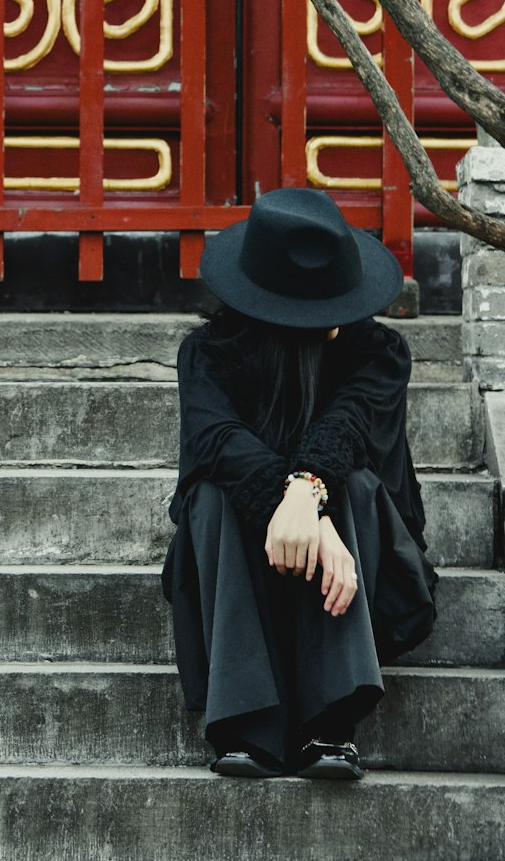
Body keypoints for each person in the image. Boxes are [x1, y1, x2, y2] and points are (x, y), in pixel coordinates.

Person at [161, 187, 437, 780]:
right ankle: (246, 722)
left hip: (358, 570)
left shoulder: (379, 353)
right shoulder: (209, 354)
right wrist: (298, 505)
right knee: (209, 493)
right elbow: (217, 443)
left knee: (358, 484)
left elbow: (348, 427)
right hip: (239, 570)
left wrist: (309, 492)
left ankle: (329, 719)